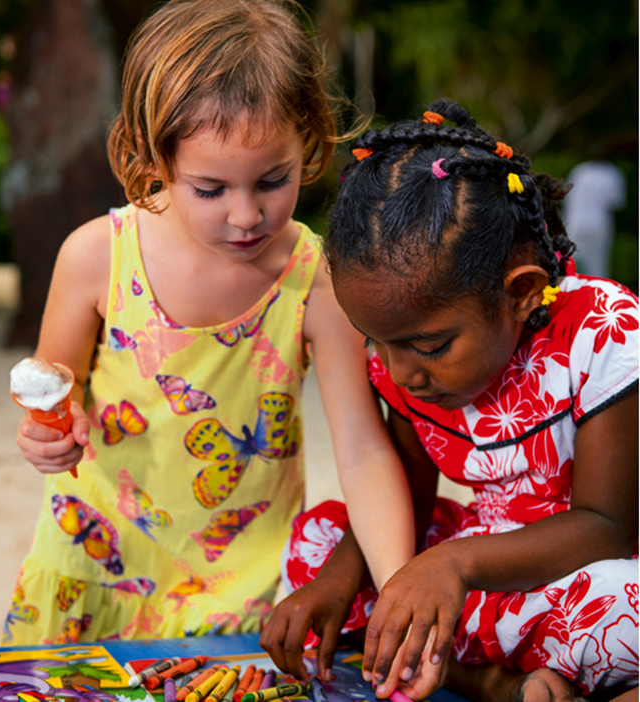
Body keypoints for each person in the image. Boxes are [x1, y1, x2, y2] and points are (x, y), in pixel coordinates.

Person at [6, 0, 407, 645]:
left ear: (307, 136)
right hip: (90, 569)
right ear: (152, 157)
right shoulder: (96, 258)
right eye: (211, 190)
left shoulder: (315, 280)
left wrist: (399, 593)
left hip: (232, 594)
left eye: (272, 181)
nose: (246, 215)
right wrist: (48, 436)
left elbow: (361, 451)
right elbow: (54, 389)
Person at [260, 100, 639, 701]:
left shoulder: (602, 332)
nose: (399, 372)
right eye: (376, 343)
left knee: (625, 605)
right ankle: (505, 684)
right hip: (482, 570)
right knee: (316, 548)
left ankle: (493, 681)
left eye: (430, 346)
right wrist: (339, 579)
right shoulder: (407, 369)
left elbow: (608, 529)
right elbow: (404, 496)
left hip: (578, 568)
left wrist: (454, 566)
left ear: (520, 294)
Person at [563, 156, 626, 278]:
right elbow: (616, 203)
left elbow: (566, 196)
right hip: (598, 224)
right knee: (597, 265)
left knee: (569, 262)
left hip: (573, 223)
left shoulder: (580, 170)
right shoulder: (612, 173)